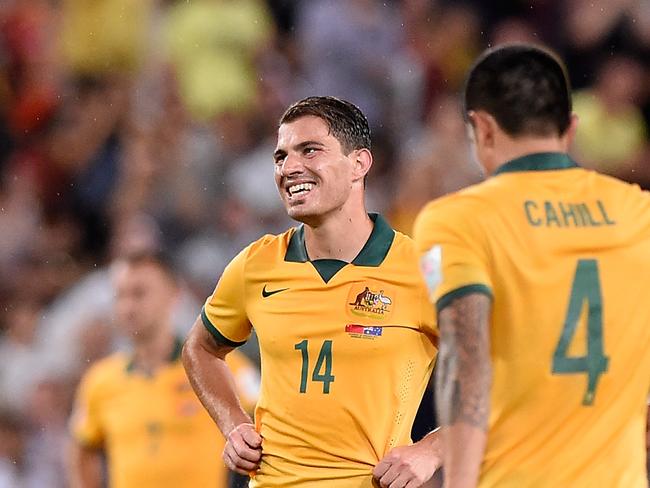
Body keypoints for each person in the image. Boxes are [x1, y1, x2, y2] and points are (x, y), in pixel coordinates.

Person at [413, 44, 650, 488]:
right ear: (572, 128)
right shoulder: (640, 214)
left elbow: (466, 362)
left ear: (481, 128)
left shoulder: (457, 221)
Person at [182, 96, 442, 488]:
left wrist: (432, 450)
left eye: (310, 150)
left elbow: (503, 380)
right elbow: (200, 349)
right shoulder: (257, 264)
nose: (289, 168)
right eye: (280, 156)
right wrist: (233, 423)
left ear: (359, 164)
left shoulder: (421, 269)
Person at [68, 251, 259, 488]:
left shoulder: (218, 364)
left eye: (139, 293)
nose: (128, 307)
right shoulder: (101, 380)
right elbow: (82, 450)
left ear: (174, 295)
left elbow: (267, 422)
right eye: (120, 295)